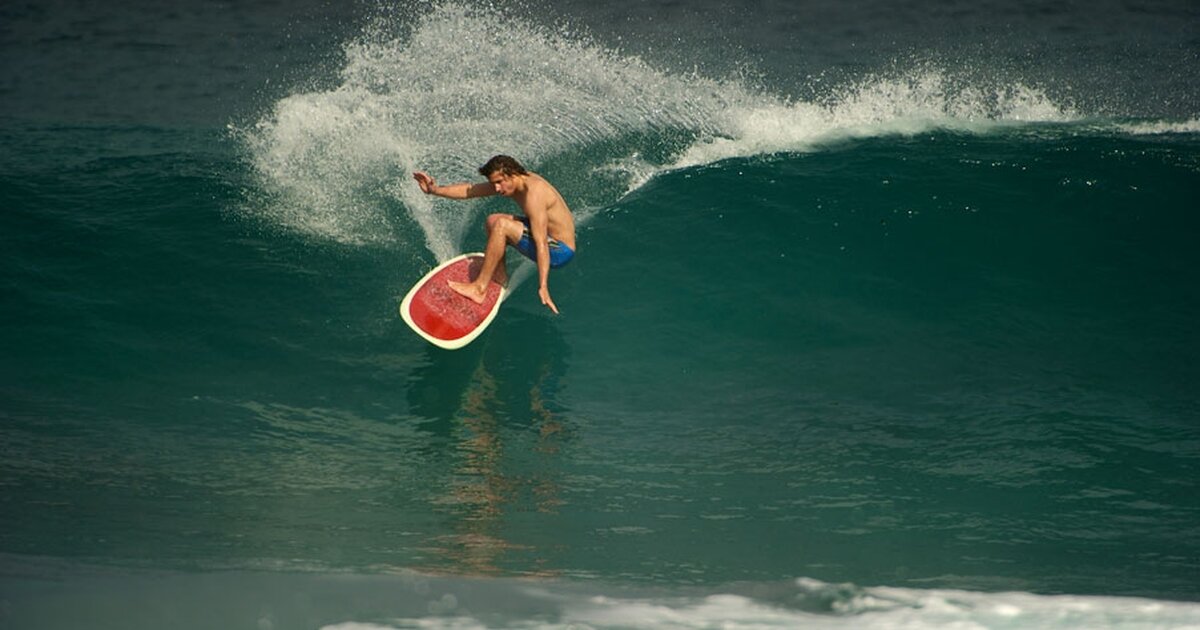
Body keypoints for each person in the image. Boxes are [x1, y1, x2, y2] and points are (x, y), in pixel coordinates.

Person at [413, 155, 577, 314]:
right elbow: (470, 190)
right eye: (494, 184)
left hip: (559, 250)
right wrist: (434, 190)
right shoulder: (514, 180)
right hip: (548, 238)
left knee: (501, 226)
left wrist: (543, 286)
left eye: (499, 183)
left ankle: (479, 289)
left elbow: (541, 243)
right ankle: (499, 275)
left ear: (512, 174)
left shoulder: (534, 193)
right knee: (493, 221)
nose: (496, 189)